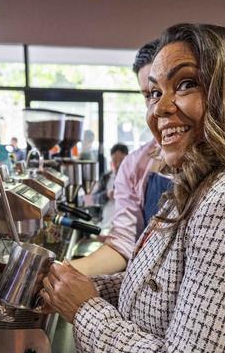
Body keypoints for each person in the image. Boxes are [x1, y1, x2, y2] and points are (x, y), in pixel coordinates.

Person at [41, 23, 225, 352]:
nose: (159, 108)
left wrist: (85, 310)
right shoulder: (198, 182)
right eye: (154, 93)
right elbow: (161, 288)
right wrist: (78, 287)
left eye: (185, 84)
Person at [70, 39, 171, 276]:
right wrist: (63, 274)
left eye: (180, 88)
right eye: (150, 95)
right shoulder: (135, 165)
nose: (160, 107)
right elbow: (123, 242)